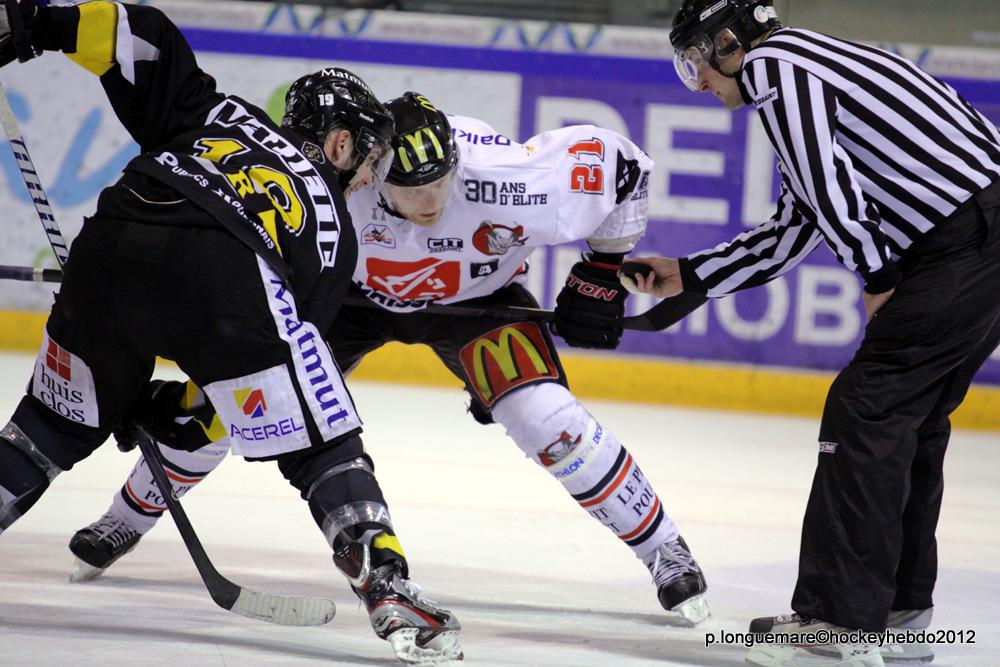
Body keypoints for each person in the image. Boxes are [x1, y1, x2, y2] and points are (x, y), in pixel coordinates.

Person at [67, 92, 711, 624]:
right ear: (373, 171)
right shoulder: (338, 184)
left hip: (479, 305)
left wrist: (601, 270)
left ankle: (665, 551)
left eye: (441, 182)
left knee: (547, 420)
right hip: (348, 302)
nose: (430, 202)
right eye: (410, 188)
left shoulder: (511, 179)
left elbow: (626, 168)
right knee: (234, 403)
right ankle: (125, 518)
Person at [0, 2, 467, 664]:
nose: (370, 176)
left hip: (108, 246)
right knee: (323, 439)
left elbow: (143, 36)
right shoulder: (332, 226)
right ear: (340, 144)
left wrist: (35, 24)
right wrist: (178, 410)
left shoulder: (217, 113)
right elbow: (256, 365)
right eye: (370, 158)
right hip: (227, 273)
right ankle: (387, 582)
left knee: (50, 427)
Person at [627, 1, 1000, 665]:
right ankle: (898, 613)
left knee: (865, 411)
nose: (698, 82)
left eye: (694, 62)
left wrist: (877, 275)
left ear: (728, 42)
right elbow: (797, 223)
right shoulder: (810, 64)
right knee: (907, 420)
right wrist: (691, 275)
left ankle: (838, 619)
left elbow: (827, 192)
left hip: (961, 246)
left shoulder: (775, 66)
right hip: (980, 240)